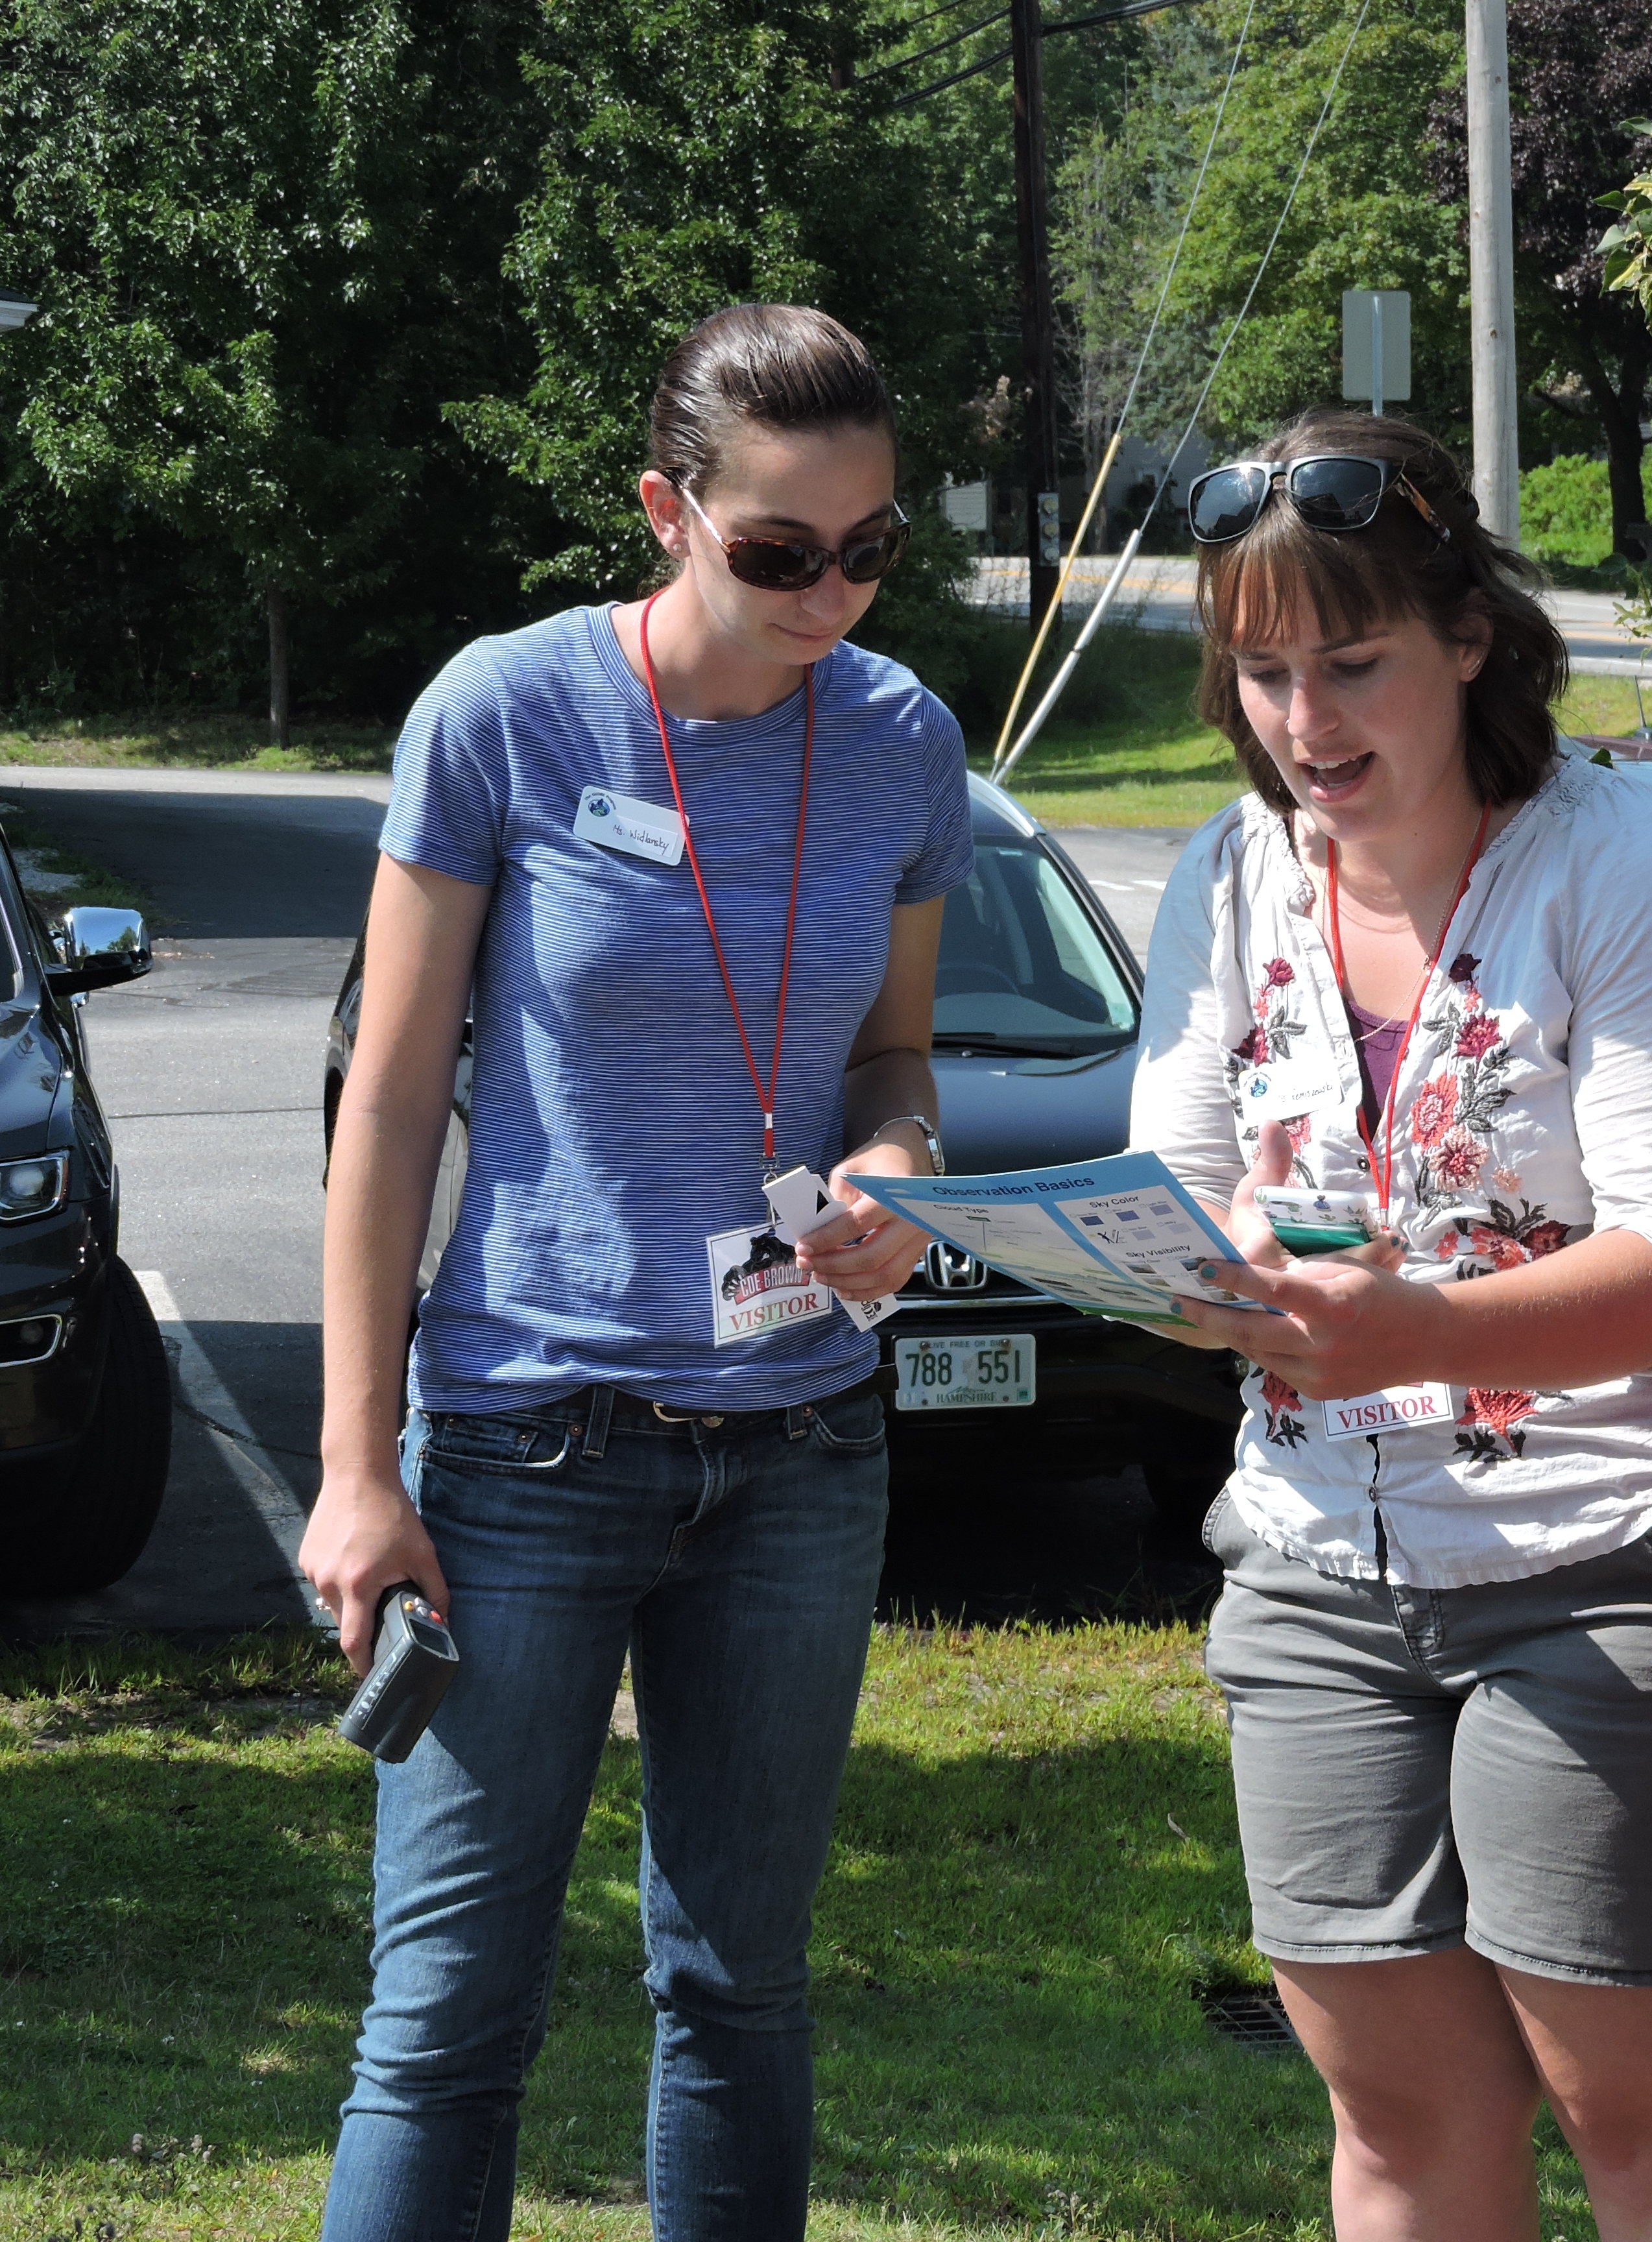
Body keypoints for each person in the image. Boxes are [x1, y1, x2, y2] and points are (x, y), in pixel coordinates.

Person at [1132, 409, 1652, 2242]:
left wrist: (1401, 1328)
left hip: (1642, 1551)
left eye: (1355, 662)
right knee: (1390, 2106)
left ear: (1472, 636)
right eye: (1266, 672)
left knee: (1643, 2122)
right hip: (1317, 1556)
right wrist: (1214, 1276)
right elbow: (1185, 1174)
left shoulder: (1623, 875)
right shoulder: (1231, 871)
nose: (1307, 724)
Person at [300, 302, 971, 2241]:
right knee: (442, 2023)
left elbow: (900, 1065)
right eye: (780, 550)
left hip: (800, 1452)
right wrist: (360, 1472)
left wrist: (897, 1172)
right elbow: (393, 1102)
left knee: (740, 1993)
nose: (830, 592)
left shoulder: (907, 738)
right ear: (668, 511)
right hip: (522, 1452)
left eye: (871, 549)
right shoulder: (503, 714)